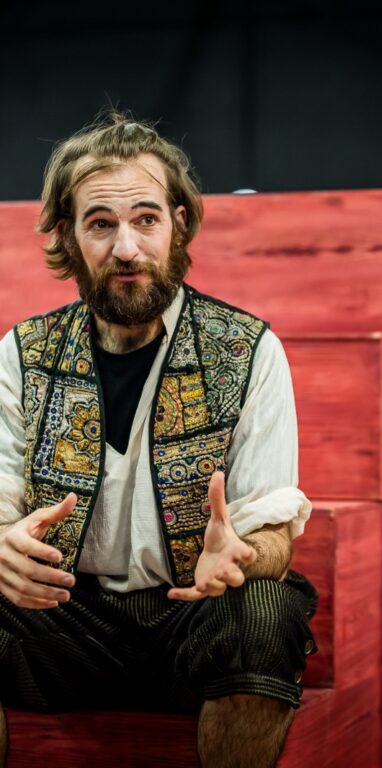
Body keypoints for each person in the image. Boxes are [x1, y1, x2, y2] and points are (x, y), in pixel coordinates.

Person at [0, 112, 317, 768]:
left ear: (177, 223)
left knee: (265, 610)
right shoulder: (22, 354)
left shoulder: (247, 351)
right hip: (63, 618)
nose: (126, 248)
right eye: (100, 223)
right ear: (68, 235)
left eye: (145, 219)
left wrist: (242, 554)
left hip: (192, 616)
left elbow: (271, 528)